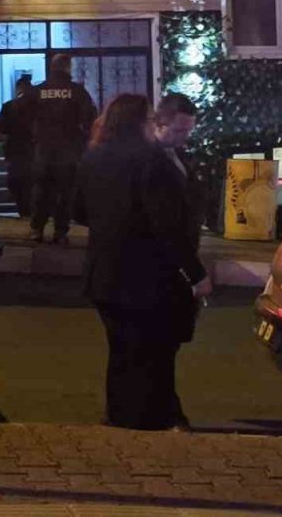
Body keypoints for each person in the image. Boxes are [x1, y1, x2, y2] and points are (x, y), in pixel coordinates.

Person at [76, 92, 210, 430]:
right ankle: (147, 420)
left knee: (120, 350)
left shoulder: (94, 157)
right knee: (150, 350)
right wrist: (196, 274)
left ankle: (120, 416)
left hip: (103, 272)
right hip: (144, 275)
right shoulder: (150, 161)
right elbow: (166, 225)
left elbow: (77, 210)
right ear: (141, 122)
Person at [26, 54, 96, 243]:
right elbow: (91, 118)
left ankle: (36, 230)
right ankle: (60, 232)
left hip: (42, 150)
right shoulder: (77, 92)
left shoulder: (37, 91)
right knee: (65, 193)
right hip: (68, 151)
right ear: (68, 68)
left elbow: (19, 115)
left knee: (41, 191)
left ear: (52, 68)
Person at [0, 74, 35, 218]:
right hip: (36, 153)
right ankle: (33, 216)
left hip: (15, 153)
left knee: (17, 185)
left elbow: (1, 128)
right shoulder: (40, 106)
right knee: (33, 187)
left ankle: (24, 212)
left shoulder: (9, 107)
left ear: (18, 88)